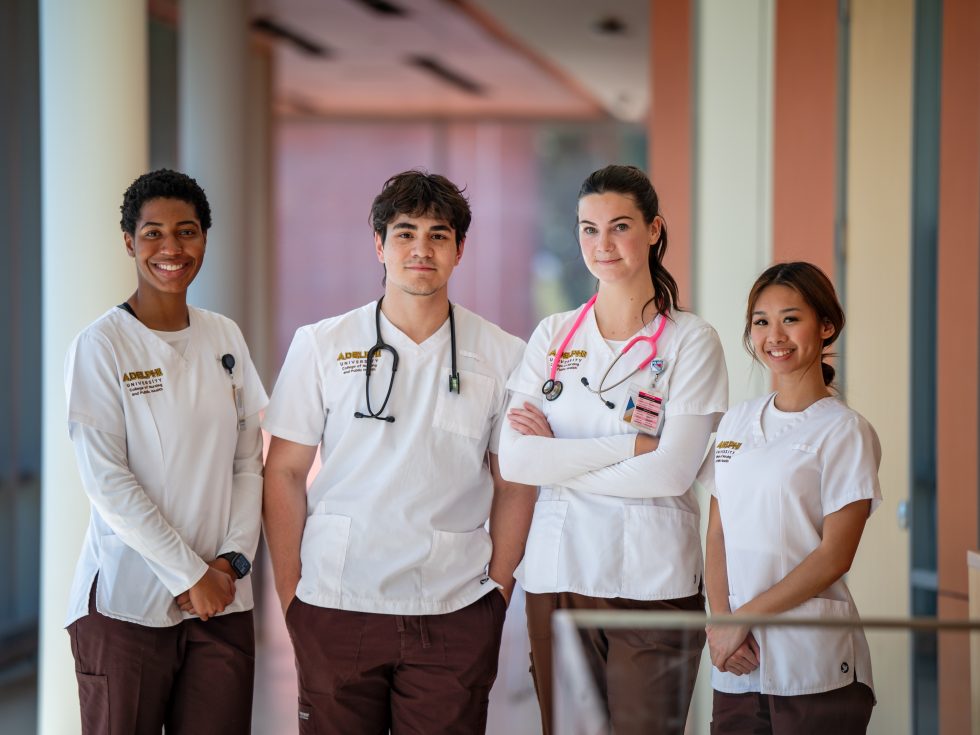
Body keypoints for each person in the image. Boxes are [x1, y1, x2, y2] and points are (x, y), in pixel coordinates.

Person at [261, 169, 534, 734]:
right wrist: (293, 600)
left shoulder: (505, 355)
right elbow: (284, 471)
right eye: (405, 233)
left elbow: (514, 482)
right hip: (336, 602)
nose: (421, 249)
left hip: (454, 609)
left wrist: (498, 593)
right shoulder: (322, 344)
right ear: (379, 245)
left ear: (460, 249)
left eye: (438, 235)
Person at [499, 164, 729, 735]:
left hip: (650, 582)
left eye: (619, 226)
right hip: (558, 577)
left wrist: (560, 462)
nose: (602, 245)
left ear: (654, 230)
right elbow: (517, 461)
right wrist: (630, 445)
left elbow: (673, 472)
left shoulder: (690, 341)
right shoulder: (553, 335)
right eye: (588, 229)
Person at [64, 169, 267, 734]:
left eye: (188, 231)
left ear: (205, 238)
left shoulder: (224, 336)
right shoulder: (101, 346)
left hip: (224, 598)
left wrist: (232, 561)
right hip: (127, 604)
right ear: (129, 242)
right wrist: (187, 574)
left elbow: (248, 459)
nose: (172, 248)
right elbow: (109, 481)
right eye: (153, 233)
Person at [702, 261, 879, 734]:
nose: (774, 335)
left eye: (791, 318)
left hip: (813, 662)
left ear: (826, 326)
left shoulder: (845, 431)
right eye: (761, 321)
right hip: (740, 663)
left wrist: (741, 620)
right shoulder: (736, 422)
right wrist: (723, 623)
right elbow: (718, 531)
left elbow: (835, 555)